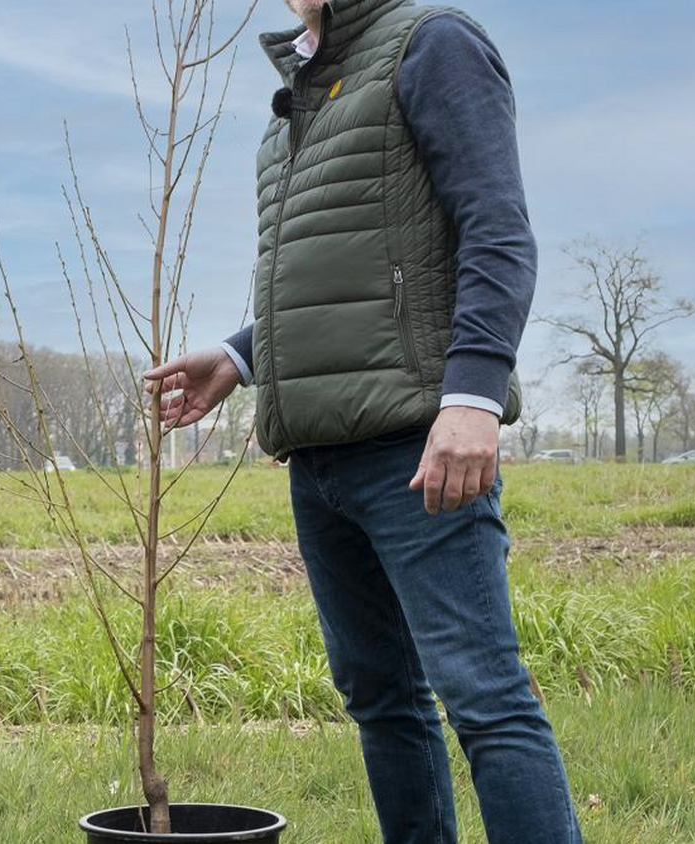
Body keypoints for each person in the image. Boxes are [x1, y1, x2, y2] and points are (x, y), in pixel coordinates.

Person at [144, 1, 582, 842]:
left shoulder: (432, 43)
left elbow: (498, 231)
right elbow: (339, 272)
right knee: (382, 701)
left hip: (416, 450)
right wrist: (240, 359)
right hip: (320, 460)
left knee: (485, 699)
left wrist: (473, 396)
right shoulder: (294, 105)